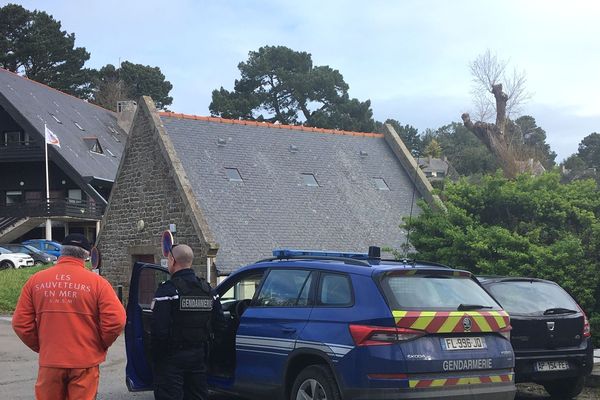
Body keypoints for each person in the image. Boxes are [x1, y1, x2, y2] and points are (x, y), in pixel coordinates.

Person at [12, 233, 126, 400]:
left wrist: (43, 346)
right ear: (87, 255)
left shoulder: (36, 281)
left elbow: (20, 323)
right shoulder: (98, 283)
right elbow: (116, 320)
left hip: (51, 362)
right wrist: (100, 343)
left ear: (62, 252)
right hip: (85, 362)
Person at [151, 243, 224, 400]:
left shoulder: (167, 291)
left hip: (172, 359)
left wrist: (157, 359)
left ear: (172, 260)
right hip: (198, 356)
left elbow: (159, 330)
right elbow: (220, 325)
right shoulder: (208, 290)